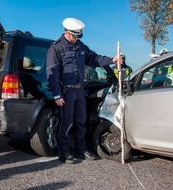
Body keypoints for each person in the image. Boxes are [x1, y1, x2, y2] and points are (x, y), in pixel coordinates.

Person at [46, 17, 121, 164]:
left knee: (81, 121)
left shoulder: (80, 46)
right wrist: (57, 94)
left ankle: (81, 149)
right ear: (67, 32)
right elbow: (52, 72)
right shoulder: (56, 48)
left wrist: (112, 60)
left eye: (78, 36)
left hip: (80, 91)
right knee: (66, 122)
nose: (76, 38)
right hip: (66, 91)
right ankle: (65, 152)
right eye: (75, 36)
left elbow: (95, 59)